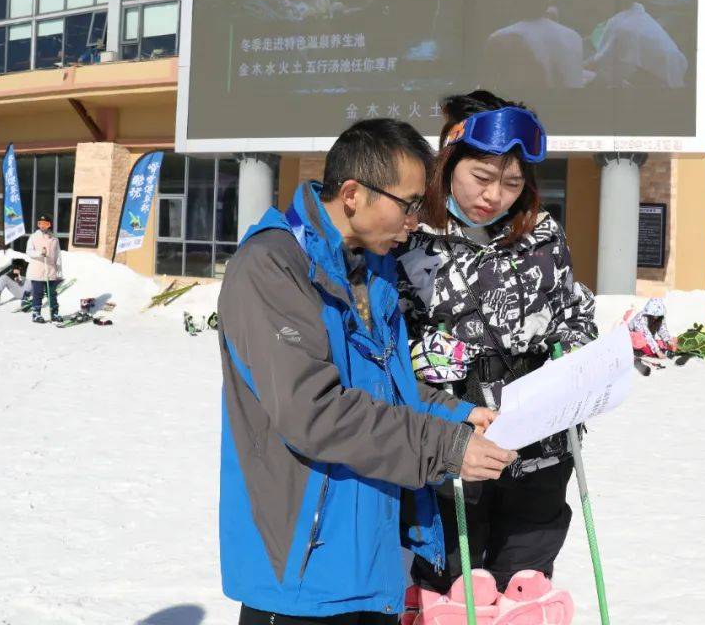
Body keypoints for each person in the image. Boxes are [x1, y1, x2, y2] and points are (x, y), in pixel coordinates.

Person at [217, 118, 516, 625]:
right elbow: (313, 412)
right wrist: (445, 447)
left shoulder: (370, 266)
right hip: (303, 565)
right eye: (409, 203)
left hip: (371, 556)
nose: (415, 220)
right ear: (353, 193)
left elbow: (386, 379)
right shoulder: (271, 266)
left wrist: (461, 416)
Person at [397, 90, 598, 595]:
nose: (495, 196)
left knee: (525, 578)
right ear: (447, 165)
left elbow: (574, 309)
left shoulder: (543, 234)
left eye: (511, 183)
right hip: (453, 433)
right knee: (456, 581)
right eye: (481, 178)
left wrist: (575, 347)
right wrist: (422, 354)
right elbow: (381, 334)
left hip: (541, 436)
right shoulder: (412, 236)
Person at [25, 214, 63, 324]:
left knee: (52, 293)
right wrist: (40, 253)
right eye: (40, 224)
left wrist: (59, 270)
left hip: (50, 271)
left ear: (49, 225)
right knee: (38, 293)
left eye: (45, 224)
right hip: (37, 271)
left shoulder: (54, 239)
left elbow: (58, 255)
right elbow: (29, 251)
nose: (42, 226)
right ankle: (36, 313)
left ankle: (54, 313)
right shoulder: (33, 237)